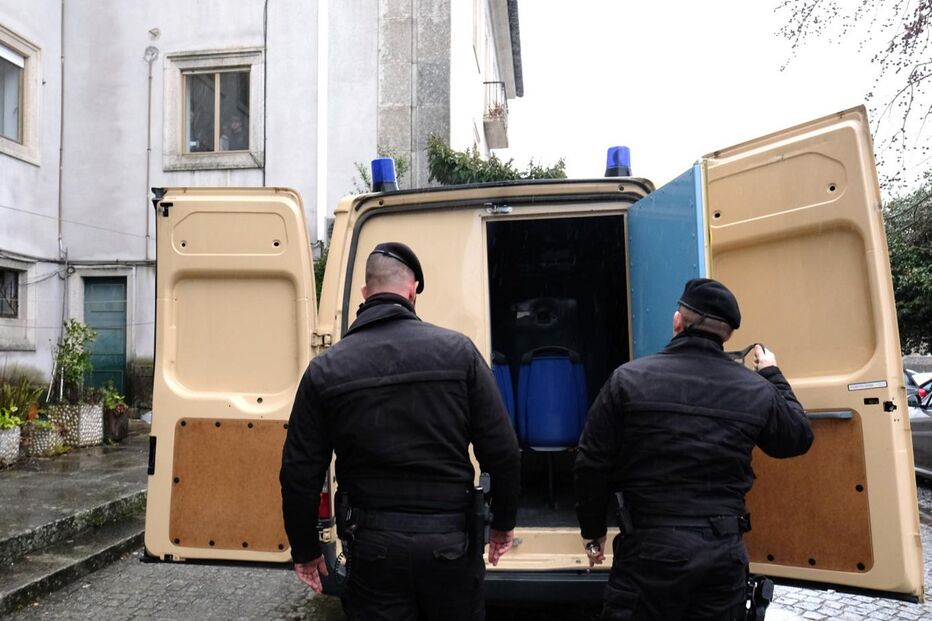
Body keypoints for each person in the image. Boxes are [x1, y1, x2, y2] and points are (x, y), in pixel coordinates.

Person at [280, 242, 521, 621]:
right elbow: (503, 451)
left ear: (365, 293)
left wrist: (305, 550)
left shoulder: (327, 369)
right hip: (450, 544)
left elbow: (299, 473)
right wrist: (503, 524)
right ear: (412, 291)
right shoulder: (459, 353)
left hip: (374, 549)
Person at [574, 278, 813, 620]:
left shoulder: (628, 379)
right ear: (728, 335)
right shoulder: (754, 390)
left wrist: (593, 529)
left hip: (649, 550)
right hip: (721, 553)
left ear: (677, 322)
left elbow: (591, 463)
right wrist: (772, 374)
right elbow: (797, 438)